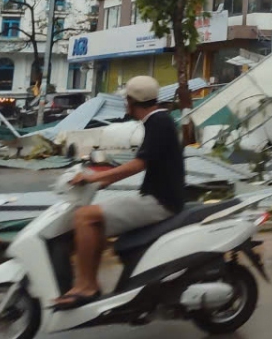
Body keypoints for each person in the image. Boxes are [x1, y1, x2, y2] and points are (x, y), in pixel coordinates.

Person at [52, 76, 185, 309]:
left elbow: (138, 164)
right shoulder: (158, 121)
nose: (125, 103)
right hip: (157, 197)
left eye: (126, 99)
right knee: (94, 222)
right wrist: (101, 181)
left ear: (132, 101)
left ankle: (86, 286)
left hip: (159, 202)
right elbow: (145, 163)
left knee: (84, 216)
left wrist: (94, 178)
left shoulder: (158, 122)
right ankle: (89, 283)